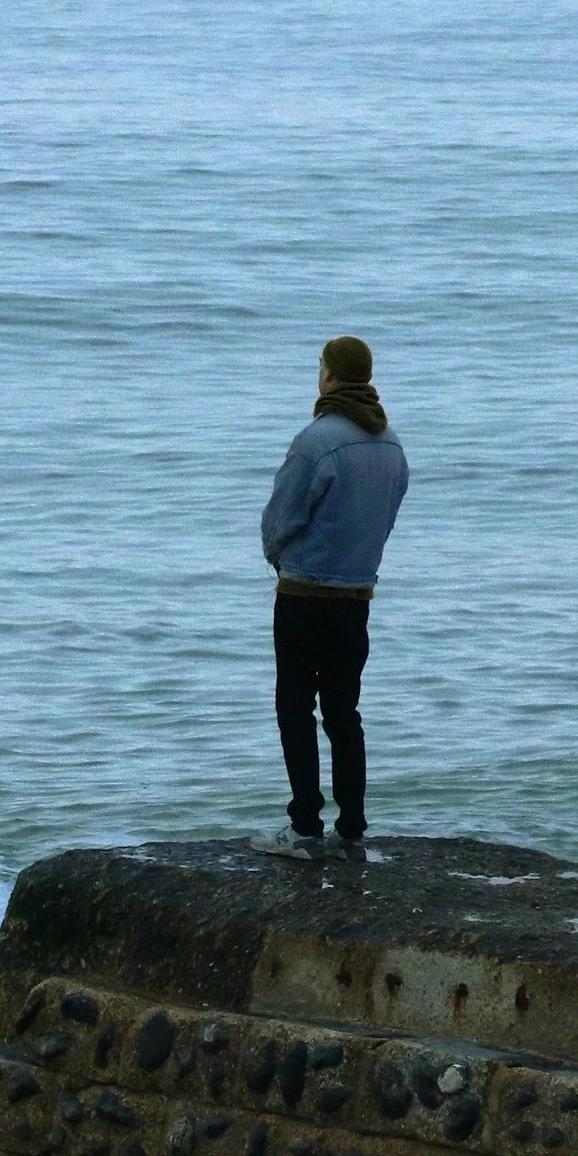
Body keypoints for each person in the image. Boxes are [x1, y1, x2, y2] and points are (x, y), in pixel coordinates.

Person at [251, 336, 410, 860]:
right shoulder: (390, 444)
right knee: (344, 710)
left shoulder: (316, 440)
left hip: (303, 594)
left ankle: (303, 828)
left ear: (331, 377)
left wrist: (278, 558)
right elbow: (384, 519)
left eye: (320, 368)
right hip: (356, 598)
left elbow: (280, 518)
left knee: (295, 706)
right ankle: (353, 829)